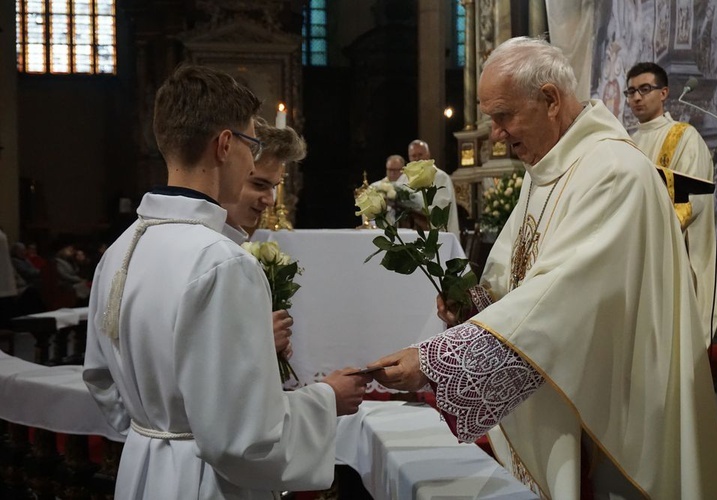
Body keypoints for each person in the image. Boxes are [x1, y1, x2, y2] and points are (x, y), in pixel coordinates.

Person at [369, 37, 717, 499]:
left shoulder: (613, 171)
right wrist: (471, 306)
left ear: (551, 100)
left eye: (503, 116)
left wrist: (438, 361)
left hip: (618, 401)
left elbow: (563, 296)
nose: (496, 134)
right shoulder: (551, 167)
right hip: (570, 384)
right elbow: (517, 277)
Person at [83, 64, 371, 499]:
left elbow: (100, 380)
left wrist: (156, 434)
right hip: (205, 483)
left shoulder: (121, 250)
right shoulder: (220, 262)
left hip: (143, 470)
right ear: (224, 145)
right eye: (251, 145)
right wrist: (327, 399)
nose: (253, 159)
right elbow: (246, 441)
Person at [626, 62, 717, 347]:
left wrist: (653, 230)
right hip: (632, 258)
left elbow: (695, 196)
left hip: (670, 254)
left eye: (645, 89)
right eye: (630, 92)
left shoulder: (683, 136)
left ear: (664, 92)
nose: (637, 98)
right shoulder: (626, 142)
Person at [223, 117, 308, 362]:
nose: (270, 200)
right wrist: (258, 340)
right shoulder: (211, 254)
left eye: (274, 187)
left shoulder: (235, 243)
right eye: (259, 184)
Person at [406, 140, 461, 237]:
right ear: (409, 158)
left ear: (428, 154)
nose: (417, 159)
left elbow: (441, 207)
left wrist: (415, 202)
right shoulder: (405, 178)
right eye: (413, 156)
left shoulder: (441, 177)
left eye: (420, 154)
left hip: (437, 234)